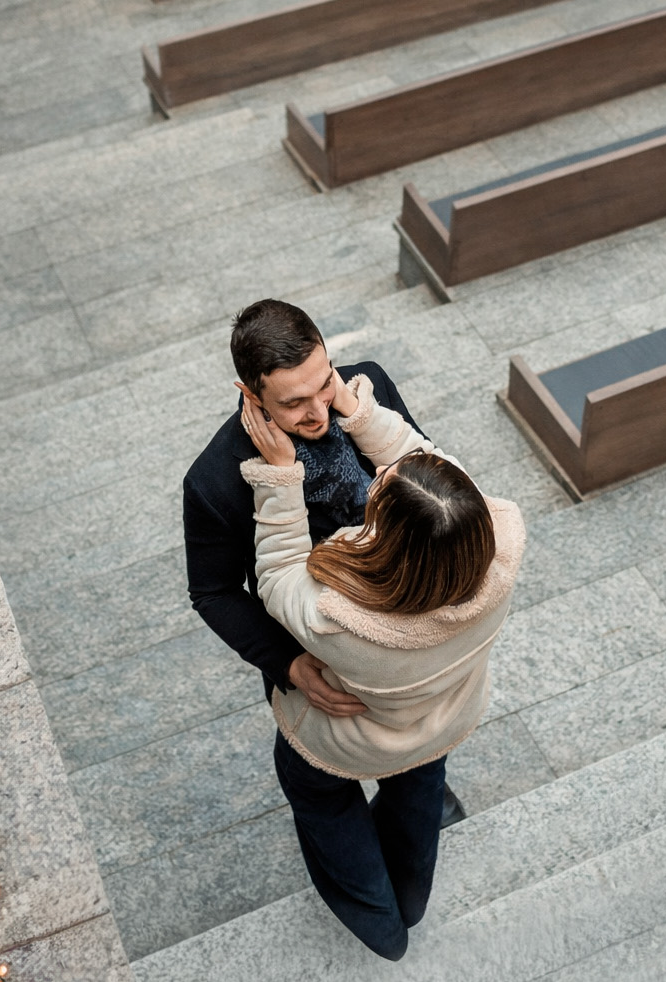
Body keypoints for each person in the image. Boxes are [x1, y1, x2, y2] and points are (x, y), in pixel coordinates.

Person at [238, 357, 523, 961]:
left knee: (322, 799)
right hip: (444, 715)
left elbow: (280, 575)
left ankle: (379, 925)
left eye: (380, 491)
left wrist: (281, 478)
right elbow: (437, 468)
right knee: (420, 787)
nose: (374, 479)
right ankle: (412, 899)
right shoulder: (495, 541)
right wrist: (360, 411)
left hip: (351, 738)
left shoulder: (343, 620)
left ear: (390, 540)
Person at [183, 300, 468, 827]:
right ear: (250, 393)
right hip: (312, 637)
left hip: (405, 618)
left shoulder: (365, 385)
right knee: (318, 776)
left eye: (325, 382)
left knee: (417, 753)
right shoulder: (215, 477)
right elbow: (213, 592)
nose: (319, 410)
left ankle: (422, 793)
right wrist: (287, 664)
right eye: (294, 403)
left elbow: (426, 480)